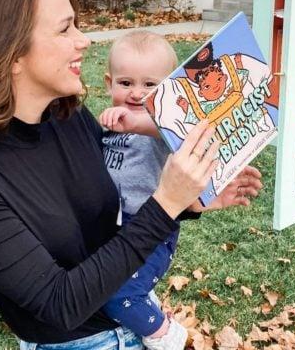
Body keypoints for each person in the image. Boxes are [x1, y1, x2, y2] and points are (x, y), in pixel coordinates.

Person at [0, 0, 262, 350]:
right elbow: (59, 304)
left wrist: (189, 200)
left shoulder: (66, 116)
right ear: (10, 52)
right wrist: (166, 202)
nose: (83, 41)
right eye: (65, 29)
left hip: (135, 319)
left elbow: (115, 222)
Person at [98, 31, 186, 350]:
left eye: (150, 85)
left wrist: (134, 124)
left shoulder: (163, 129)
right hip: (114, 228)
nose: (137, 93)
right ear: (109, 83)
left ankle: (164, 334)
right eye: (126, 83)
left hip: (150, 228)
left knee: (117, 294)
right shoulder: (109, 125)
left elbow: (173, 130)